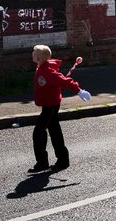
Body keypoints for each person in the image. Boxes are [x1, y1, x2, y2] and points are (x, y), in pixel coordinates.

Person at [29, 44, 91, 173]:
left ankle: (44, 162)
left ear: (39, 57)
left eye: (34, 53)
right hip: (50, 103)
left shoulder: (47, 71)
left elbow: (65, 81)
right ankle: (61, 161)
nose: (32, 54)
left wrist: (79, 91)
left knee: (38, 133)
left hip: (50, 106)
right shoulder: (42, 67)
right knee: (53, 130)